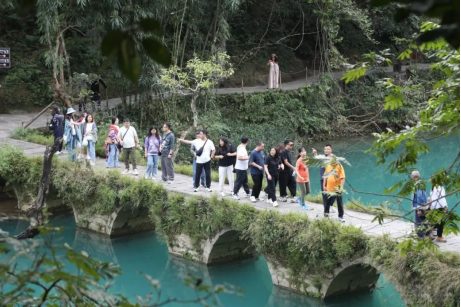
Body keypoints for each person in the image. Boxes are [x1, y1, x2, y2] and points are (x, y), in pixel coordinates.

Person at [314, 145, 337, 214]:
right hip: (323, 178)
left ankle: (331, 205)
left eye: (328, 149)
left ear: (331, 150)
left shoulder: (334, 157)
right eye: (325, 149)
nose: (326, 150)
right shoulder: (322, 157)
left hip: (332, 178)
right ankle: (326, 209)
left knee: (334, 193)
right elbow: (316, 159)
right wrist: (315, 153)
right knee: (325, 194)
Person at [324, 156, 346, 223]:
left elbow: (343, 177)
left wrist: (341, 187)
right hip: (329, 188)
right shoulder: (328, 166)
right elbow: (325, 175)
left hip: (337, 188)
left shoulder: (339, 166)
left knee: (339, 202)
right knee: (327, 202)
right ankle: (326, 214)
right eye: (331, 160)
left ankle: (340, 216)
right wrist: (324, 185)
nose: (332, 162)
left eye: (334, 160)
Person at [411, 171, 431, 238]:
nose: (411, 178)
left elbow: (419, 197)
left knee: (418, 222)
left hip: (419, 206)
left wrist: (419, 209)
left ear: (414, 177)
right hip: (424, 206)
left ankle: (421, 237)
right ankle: (429, 234)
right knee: (424, 220)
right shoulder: (422, 183)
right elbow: (424, 196)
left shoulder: (417, 185)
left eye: (412, 176)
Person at [429, 179, 449, 243]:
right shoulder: (439, 187)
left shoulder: (434, 187)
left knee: (435, 221)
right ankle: (439, 236)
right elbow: (442, 198)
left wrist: (431, 207)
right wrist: (445, 207)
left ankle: (430, 233)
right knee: (441, 223)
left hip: (434, 207)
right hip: (439, 207)